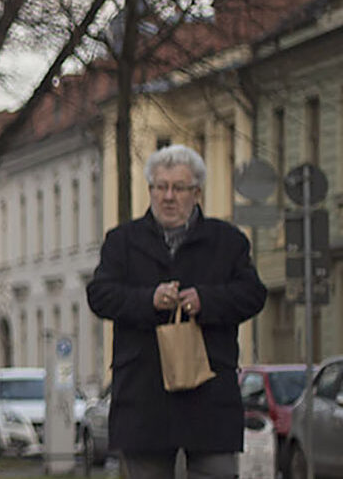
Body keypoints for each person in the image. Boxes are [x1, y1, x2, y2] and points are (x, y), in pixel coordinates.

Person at [85, 144, 266, 479]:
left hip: (209, 396)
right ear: (151, 190)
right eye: (160, 187)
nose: (168, 197)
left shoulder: (227, 241)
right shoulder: (122, 241)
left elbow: (253, 294)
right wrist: (149, 300)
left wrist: (205, 301)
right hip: (143, 396)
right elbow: (100, 295)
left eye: (178, 188)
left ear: (196, 193)